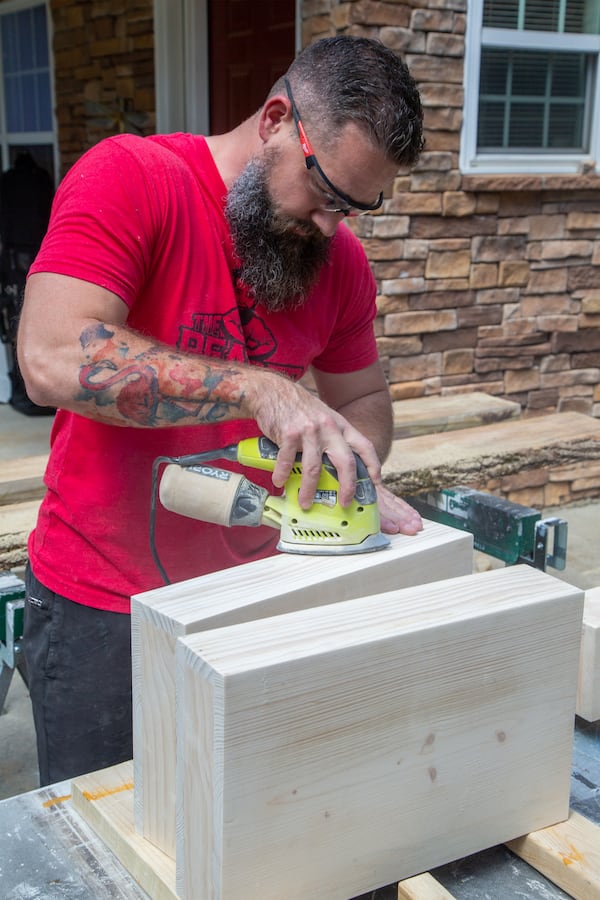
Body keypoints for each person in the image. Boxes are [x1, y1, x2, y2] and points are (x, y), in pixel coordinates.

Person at [17, 35, 425, 786]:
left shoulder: (339, 264)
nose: (335, 226)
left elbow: (362, 397)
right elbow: (48, 357)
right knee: (109, 851)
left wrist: (350, 460)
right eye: (328, 195)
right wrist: (256, 386)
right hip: (105, 610)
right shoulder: (134, 179)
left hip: (255, 596)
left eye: (357, 208)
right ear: (276, 121)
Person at [0, 151, 54, 414]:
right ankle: (28, 390)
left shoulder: (8, 180)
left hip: (15, 259)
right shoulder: (41, 179)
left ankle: (24, 390)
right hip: (39, 253)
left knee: (18, 321)